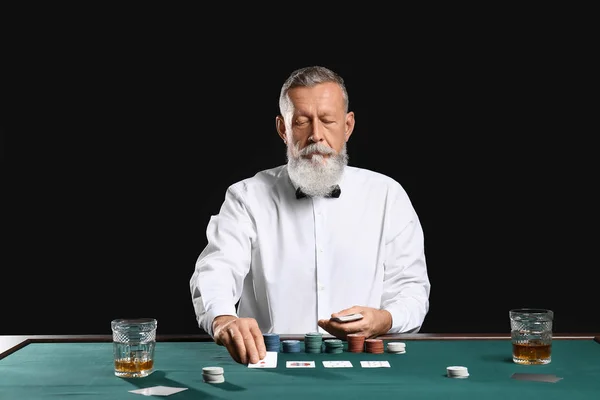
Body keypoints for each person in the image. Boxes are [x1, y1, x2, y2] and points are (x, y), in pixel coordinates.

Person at [189, 65, 431, 365]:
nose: (317, 135)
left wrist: (385, 318)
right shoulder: (246, 197)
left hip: (364, 369)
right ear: (283, 129)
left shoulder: (388, 195)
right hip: (269, 368)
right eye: (302, 122)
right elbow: (216, 269)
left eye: (328, 120)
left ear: (348, 125)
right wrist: (223, 318)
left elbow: (412, 290)